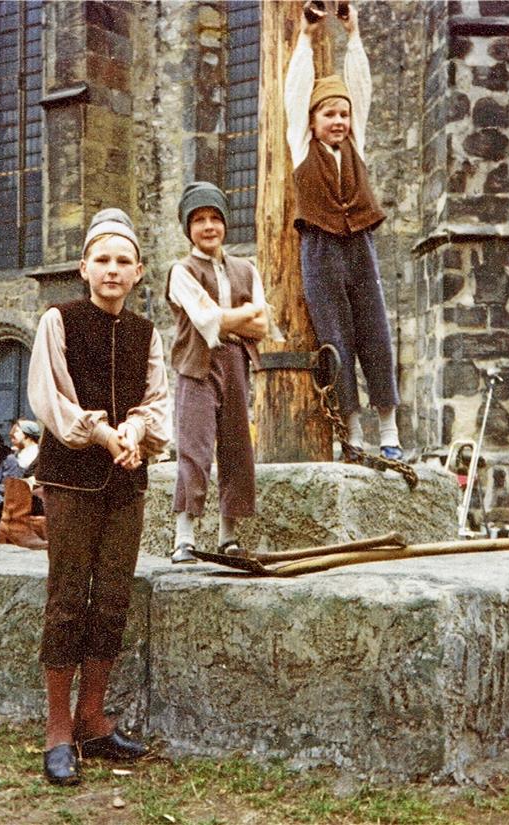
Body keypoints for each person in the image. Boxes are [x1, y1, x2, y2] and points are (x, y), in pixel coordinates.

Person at [28, 208, 169, 786]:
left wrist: (135, 432)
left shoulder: (146, 333)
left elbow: (159, 402)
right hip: (70, 478)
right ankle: (58, 728)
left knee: (112, 596)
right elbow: (51, 399)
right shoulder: (58, 321)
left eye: (123, 262)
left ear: (139, 272)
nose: (112, 271)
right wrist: (103, 432)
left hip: (125, 481)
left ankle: (93, 717)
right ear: (85, 267)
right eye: (102, 260)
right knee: (68, 595)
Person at [285, 2, 402, 459]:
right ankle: (352, 434)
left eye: (343, 115)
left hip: (359, 245)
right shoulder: (300, 146)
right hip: (319, 246)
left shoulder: (357, 145)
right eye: (328, 115)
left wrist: (353, 36)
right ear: (313, 122)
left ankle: (389, 432)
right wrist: (306, 39)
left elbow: (362, 90)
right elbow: (296, 92)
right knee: (335, 337)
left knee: (375, 329)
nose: (338, 122)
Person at [165, 182, 268, 564]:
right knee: (195, 448)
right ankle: (184, 537)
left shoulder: (245, 268)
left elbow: (261, 325)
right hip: (197, 366)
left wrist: (228, 320)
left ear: (225, 224)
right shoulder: (182, 271)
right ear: (188, 228)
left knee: (237, 446)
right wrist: (234, 318)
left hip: (236, 364)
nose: (209, 227)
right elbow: (205, 321)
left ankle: (228, 536)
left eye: (215, 219)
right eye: (199, 220)